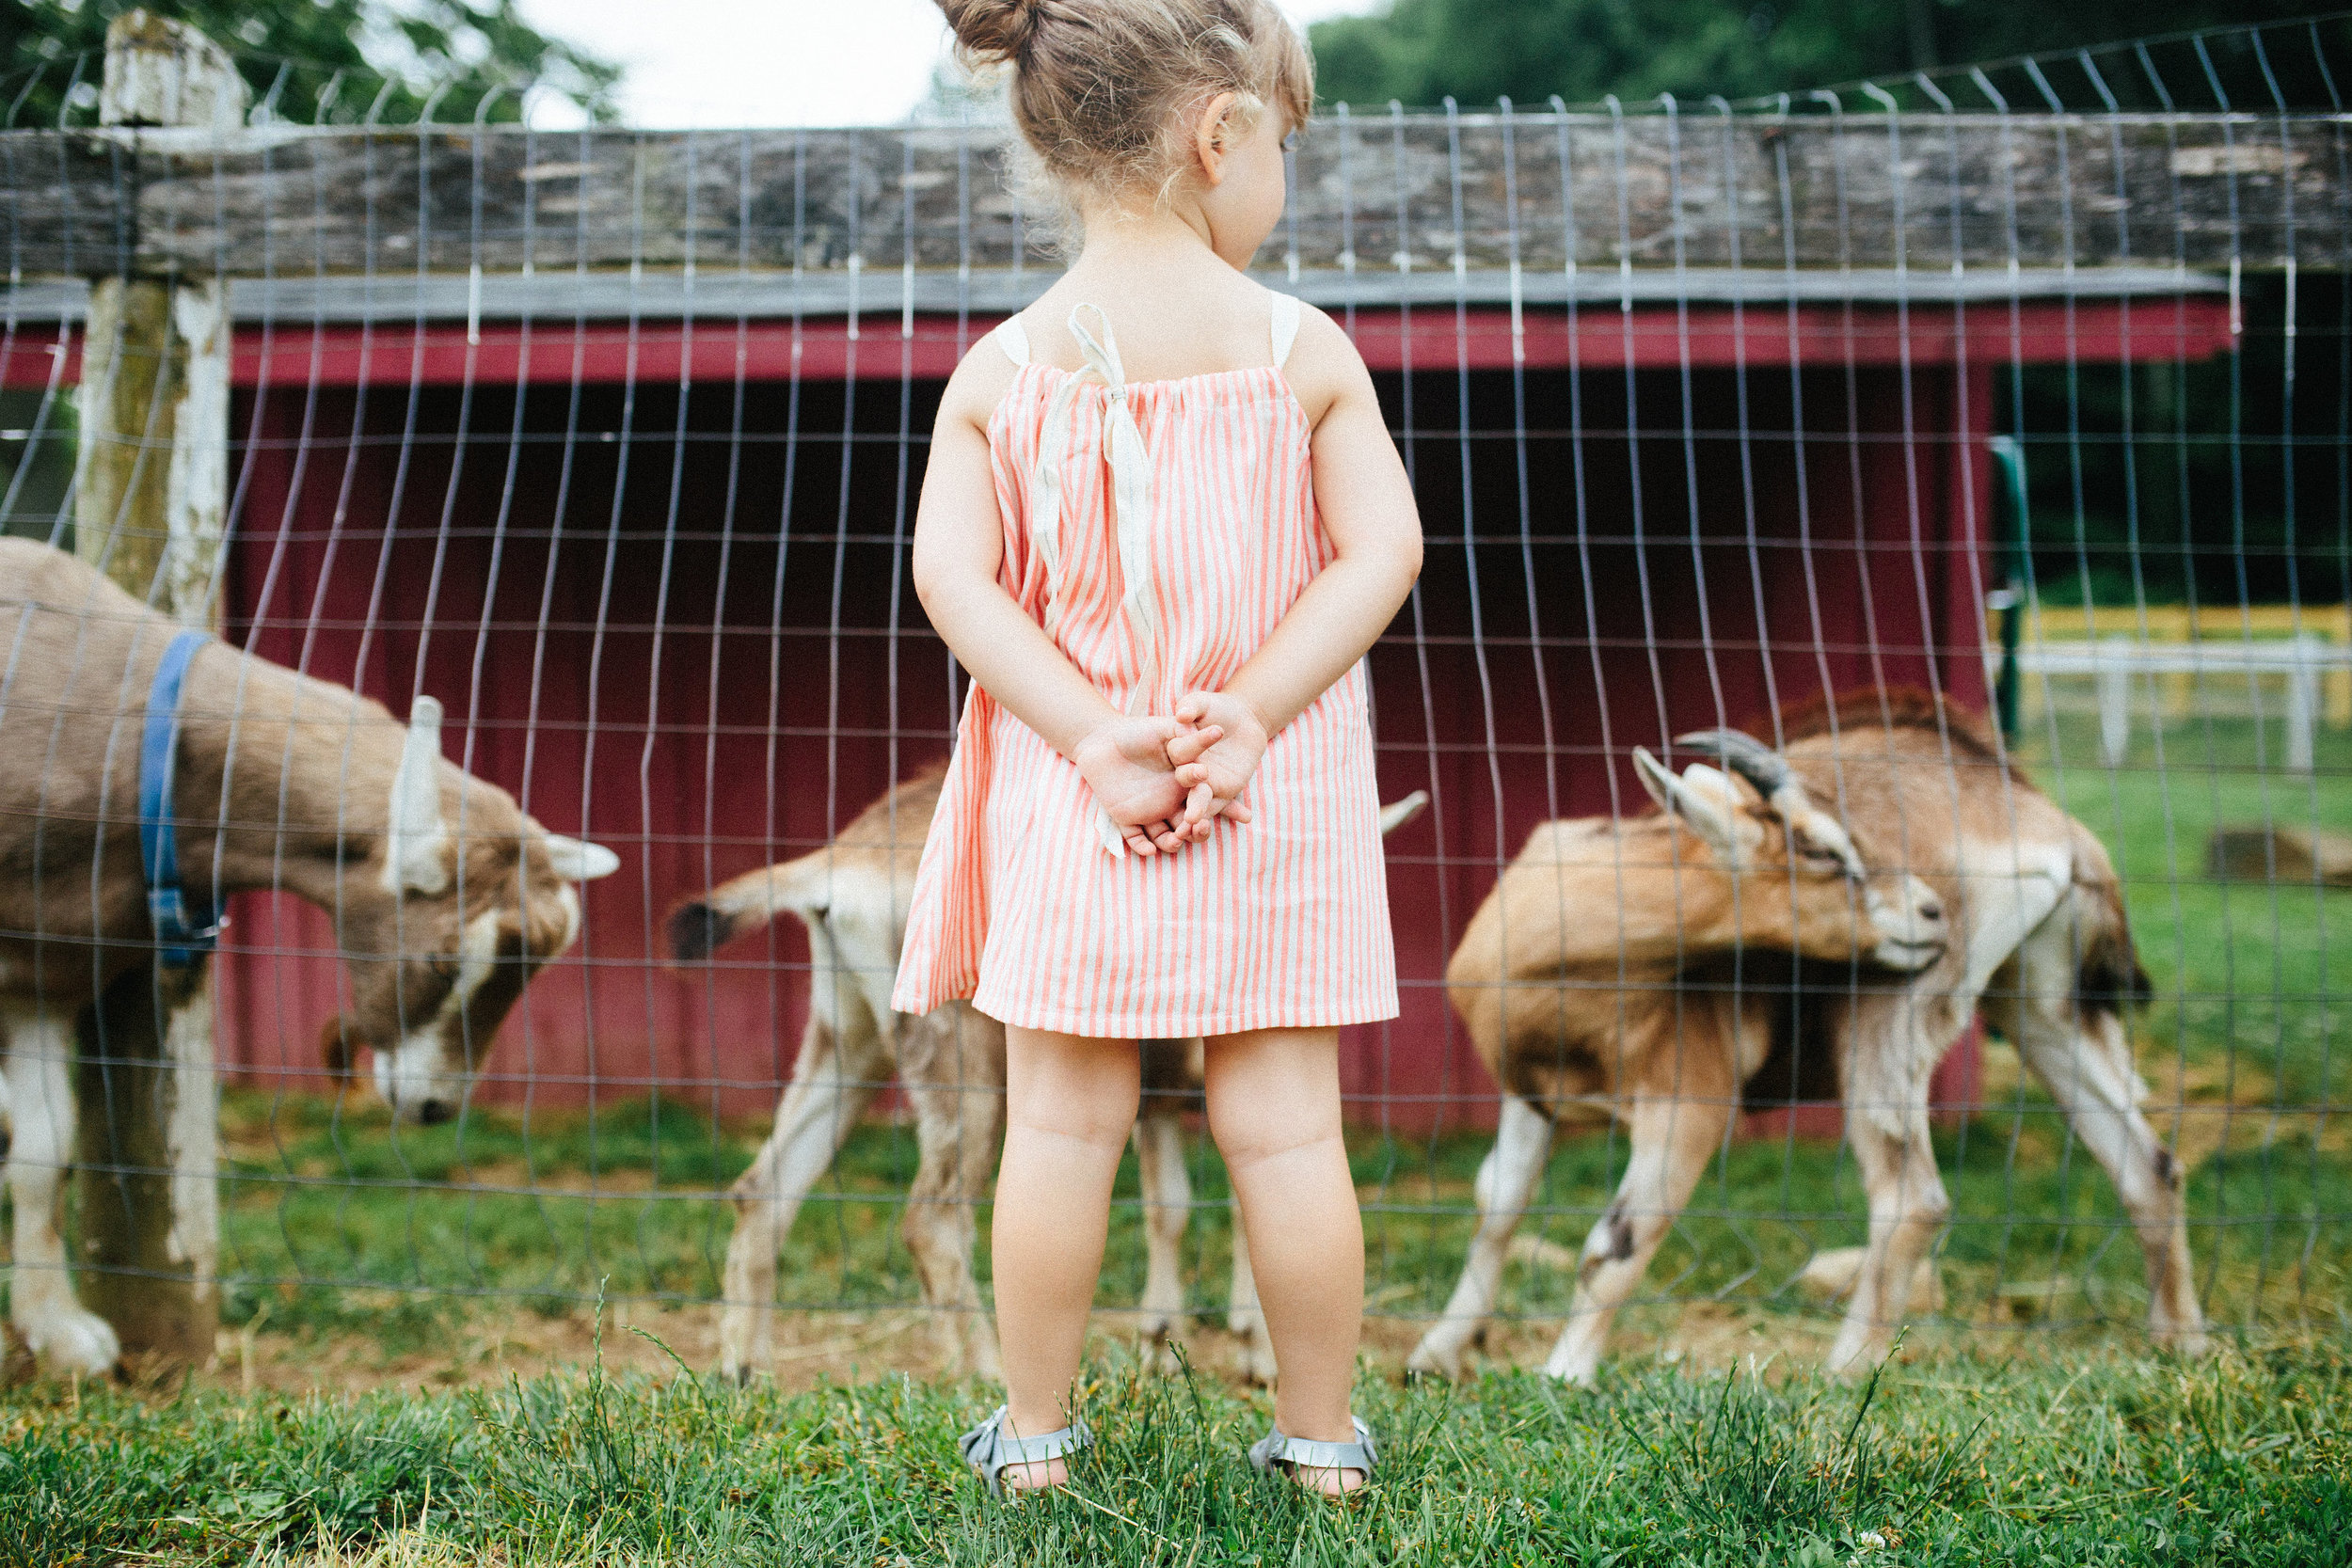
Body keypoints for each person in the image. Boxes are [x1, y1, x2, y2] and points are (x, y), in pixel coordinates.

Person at [895, 0, 1422, 1501]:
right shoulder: (1303, 349)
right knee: (1285, 1130)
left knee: (1059, 1130)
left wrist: (1092, 736)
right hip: (1274, 799)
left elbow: (954, 583)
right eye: (1283, 152)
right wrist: (1249, 712)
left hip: (1086, 800)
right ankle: (1320, 1443)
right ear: (1220, 135)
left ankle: (1038, 1442)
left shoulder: (998, 372)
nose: (1281, 185)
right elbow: (1381, 550)